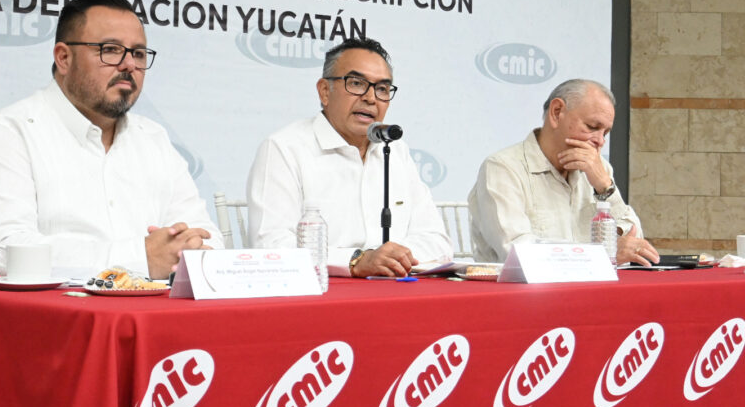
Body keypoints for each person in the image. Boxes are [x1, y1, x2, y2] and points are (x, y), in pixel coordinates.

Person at [0, 0, 223, 279]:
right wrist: (140, 258)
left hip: (144, 308)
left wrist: (185, 250)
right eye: (111, 50)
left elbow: (207, 236)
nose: (129, 65)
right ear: (64, 58)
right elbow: (8, 253)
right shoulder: (7, 134)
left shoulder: (153, 138)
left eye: (139, 54)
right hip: (34, 309)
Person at [246, 37, 452, 277]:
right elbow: (270, 244)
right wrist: (355, 261)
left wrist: (393, 259)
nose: (371, 98)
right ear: (325, 91)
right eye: (356, 83)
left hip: (394, 289)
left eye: (382, 89)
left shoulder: (395, 151)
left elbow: (437, 241)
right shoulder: (285, 148)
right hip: (322, 291)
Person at [469, 78, 659, 266]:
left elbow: (636, 243)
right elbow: (517, 253)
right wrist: (601, 255)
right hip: (523, 286)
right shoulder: (503, 168)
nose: (600, 141)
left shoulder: (599, 169)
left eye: (605, 133)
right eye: (592, 127)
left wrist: (605, 188)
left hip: (592, 284)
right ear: (557, 112)